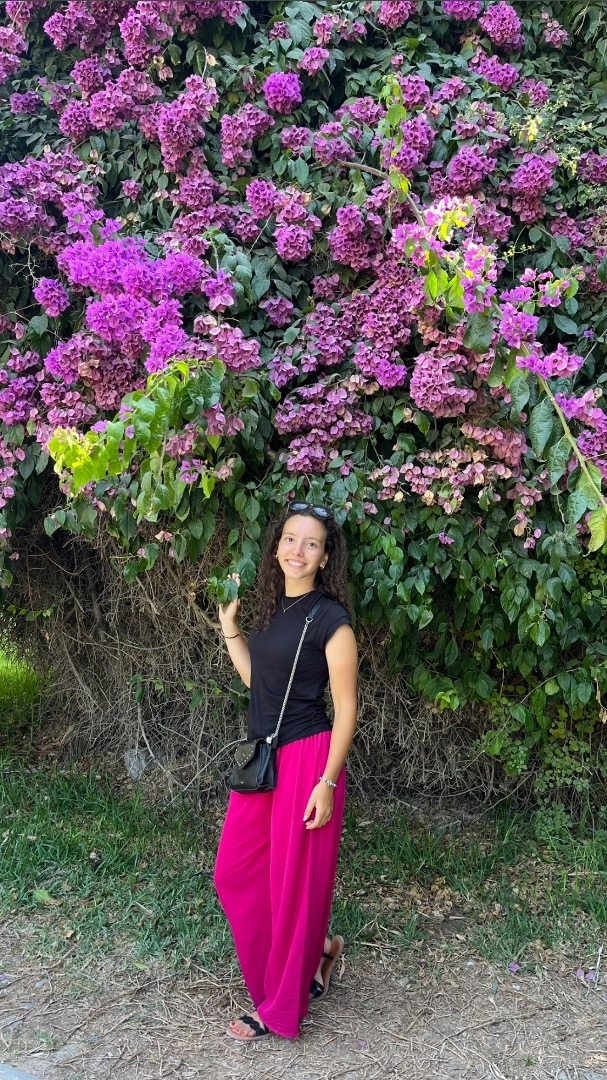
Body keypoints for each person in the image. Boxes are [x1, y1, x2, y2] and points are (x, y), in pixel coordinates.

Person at [214, 502, 358, 1041]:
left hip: (308, 760)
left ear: (325, 558)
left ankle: (281, 1004)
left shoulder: (332, 621)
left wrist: (327, 781)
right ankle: (320, 952)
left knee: (292, 885)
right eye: (291, 539)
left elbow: (346, 709)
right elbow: (262, 685)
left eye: (311, 543)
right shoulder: (274, 610)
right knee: (234, 873)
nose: (298, 551)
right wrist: (230, 629)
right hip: (267, 758)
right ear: (276, 548)